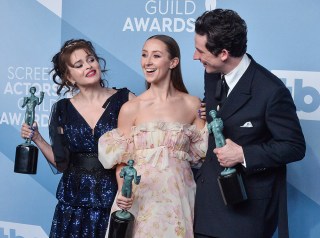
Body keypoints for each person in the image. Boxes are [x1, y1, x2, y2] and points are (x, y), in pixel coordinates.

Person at [192, 9, 306, 238]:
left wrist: (243, 154)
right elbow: (224, 112)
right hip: (206, 206)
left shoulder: (271, 91)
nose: (195, 57)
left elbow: (294, 146)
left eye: (200, 51)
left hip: (246, 213)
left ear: (223, 53)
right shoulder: (212, 73)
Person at [20, 39, 135, 238]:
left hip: (113, 198)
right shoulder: (62, 109)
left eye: (91, 59)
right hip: (73, 202)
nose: (88, 66)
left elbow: (151, 134)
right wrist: (37, 138)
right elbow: (61, 163)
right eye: (79, 65)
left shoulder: (126, 99)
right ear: (69, 77)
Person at [98, 34, 208, 237]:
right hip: (140, 198)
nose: (147, 62)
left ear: (173, 62)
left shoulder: (192, 104)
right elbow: (122, 162)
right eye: (144, 55)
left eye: (156, 56)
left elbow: (204, 157)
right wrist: (124, 192)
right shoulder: (131, 108)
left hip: (179, 199)